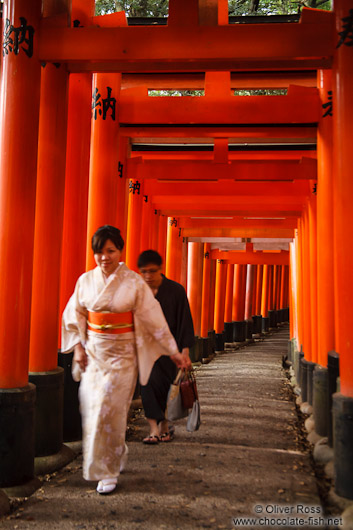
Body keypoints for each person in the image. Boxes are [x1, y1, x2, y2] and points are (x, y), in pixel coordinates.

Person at [61, 226, 188, 495]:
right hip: (94, 353)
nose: (105, 257)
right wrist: (79, 349)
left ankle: (107, 471)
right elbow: (75, 315)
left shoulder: (133, 282)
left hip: (122, 357)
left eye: (111, 251)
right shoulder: (85, 281)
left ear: (120, 251)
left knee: (109, 408)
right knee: (93, 409)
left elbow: (154, 319)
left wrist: (174, 350)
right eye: (99, 251)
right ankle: (115, 452)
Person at [137, 250, 194, 444]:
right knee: (147, 386)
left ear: (161, 269)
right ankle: (154, 428)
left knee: (164, 388)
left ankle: (164, 425)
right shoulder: (138, 293)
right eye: (144, 272)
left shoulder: (175, 291)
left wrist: (184, 353)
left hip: (171, 352)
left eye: (152, 271)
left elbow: (185, 322)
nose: (148, 276)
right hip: (145, 350)